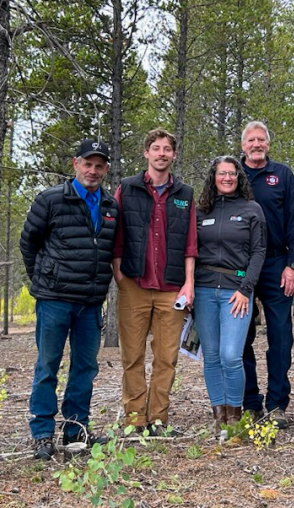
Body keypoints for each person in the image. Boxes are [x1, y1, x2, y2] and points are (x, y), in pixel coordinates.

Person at [20, 140, 118, 460]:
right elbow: (28, 242)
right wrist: (43, 278)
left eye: (99, 165)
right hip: (54, 300)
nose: (93, 171)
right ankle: (43, 434)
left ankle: (76, 429)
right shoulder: (51, 199)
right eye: (87, 164)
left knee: (85, 368)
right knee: (47, 365)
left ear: (105, 169)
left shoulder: (109, 205)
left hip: (90, 303)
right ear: (76, 164)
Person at [112, 129, 197, 436]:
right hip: (134, 284)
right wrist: (119, 274)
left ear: (173, 155)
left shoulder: (184, 195)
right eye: (156, 148)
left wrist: (188, 284)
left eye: (167, 149)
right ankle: (135, 420)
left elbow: (190, 243)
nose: (162, 153)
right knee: (132, 357)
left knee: (166, 358)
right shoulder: (127, 188)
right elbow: (115, 234)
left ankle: (158, 419)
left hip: (171, 287)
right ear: (146, 153)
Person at [193, 156, 267, 429]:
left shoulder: (251, 209)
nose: (227, 178)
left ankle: (235, 417)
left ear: (239, 178)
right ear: (213, 177)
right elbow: (190, 251)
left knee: (231, 355)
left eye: (232, 174)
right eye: (222, 174)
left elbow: (259, 251)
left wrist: (246, 289)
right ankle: (218, 417)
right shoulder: (201, 211)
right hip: (203, 291)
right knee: (211, 356)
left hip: (236, 292)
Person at [240, 121, 294, 428]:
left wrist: (293, 265)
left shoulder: (283, 175)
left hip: (277, 263)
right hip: (239, 266)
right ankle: (250, 401)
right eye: (251, 140)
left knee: (281, 336)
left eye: (261, 140)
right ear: (243, 146)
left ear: (268, 144)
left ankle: (277, 402)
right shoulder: (232, 175)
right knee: (242, 336)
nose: (256, 144)